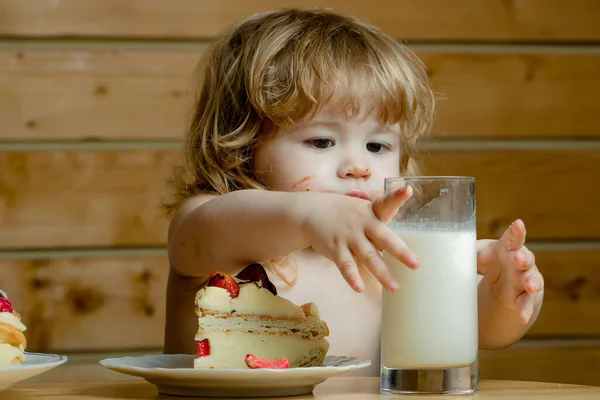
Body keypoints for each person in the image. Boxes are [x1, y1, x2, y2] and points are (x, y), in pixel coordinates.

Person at [162, 8, 544, 373]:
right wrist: (308, 214)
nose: (359, 167)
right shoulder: (210, 228)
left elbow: (478, 328)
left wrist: (505, 293)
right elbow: (207, 231)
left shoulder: (387, 259)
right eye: (323, 142)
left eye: (377, 146)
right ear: (243, 145)